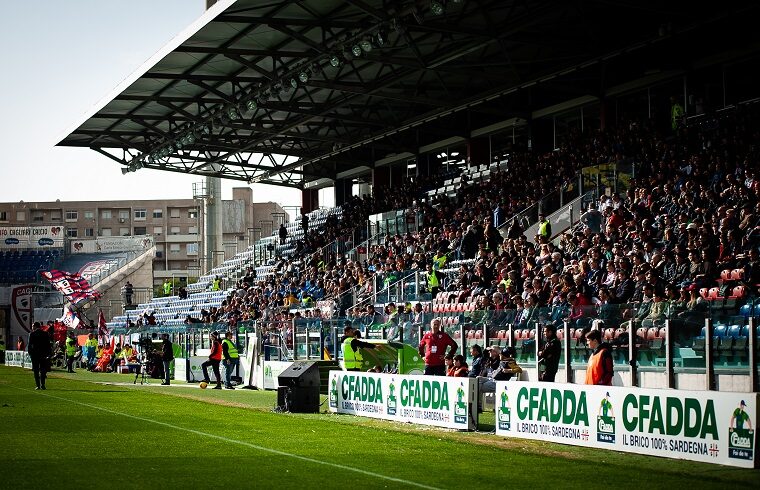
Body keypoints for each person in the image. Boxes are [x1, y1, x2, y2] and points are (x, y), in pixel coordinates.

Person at [27, 322, 52, 390]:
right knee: (43, 370)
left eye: (32, 326)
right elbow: (48, 345)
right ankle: (43, 385)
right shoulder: (45, 333)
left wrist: (30, 353)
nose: (32, 327)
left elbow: (30, 345)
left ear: (35, 326)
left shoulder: (32, 334)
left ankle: (38, 385)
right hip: (43, 354)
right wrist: (48, 353)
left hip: (35, 355)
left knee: (36, 370)